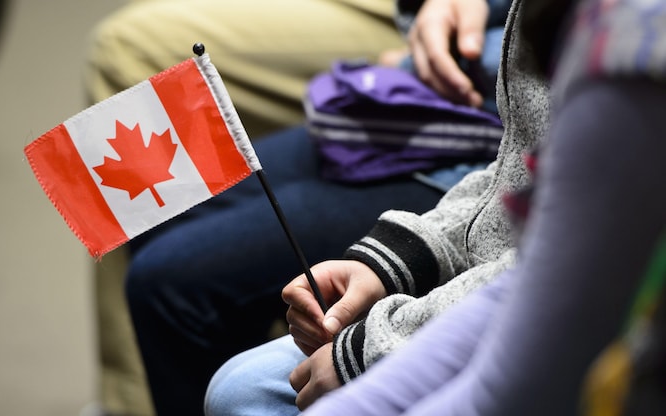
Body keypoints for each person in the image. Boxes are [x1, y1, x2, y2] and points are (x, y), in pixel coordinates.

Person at [207, 0, 666, 415]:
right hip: (489, 267)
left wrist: (372, 349)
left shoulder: (630, 53)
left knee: (230, 361)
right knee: (233, 383)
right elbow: (520, 169)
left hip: (564, 326)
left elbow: (544, 285)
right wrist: (393, 261)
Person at [85, 0, 508, 415]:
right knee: (167, 214)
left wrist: (370, 343)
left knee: (176, 293)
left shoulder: (565, 53)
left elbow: (530, 236)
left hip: (467, 151)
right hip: (411, 106)